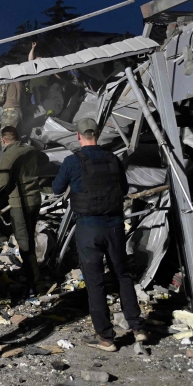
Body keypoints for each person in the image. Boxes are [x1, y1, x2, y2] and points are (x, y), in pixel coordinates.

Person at [52, 118, 146, 351]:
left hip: (88, 229)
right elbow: (123, 189)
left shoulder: (73, 161)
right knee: (122, 275)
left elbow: (56, 189)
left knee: (95, 282)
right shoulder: (113, 159)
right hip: (114, 227)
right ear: (97, 134)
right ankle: (137, 327)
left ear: (78, 136)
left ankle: (106, 338)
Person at [0, 126, 42, 293]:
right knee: (30, 238)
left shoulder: (8, 155)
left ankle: (35, 283)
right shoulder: (30, 150)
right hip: (35, 199)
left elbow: (2, 180)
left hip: (20, 204)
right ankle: (34, 274)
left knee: (24, 243)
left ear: (3, 140)